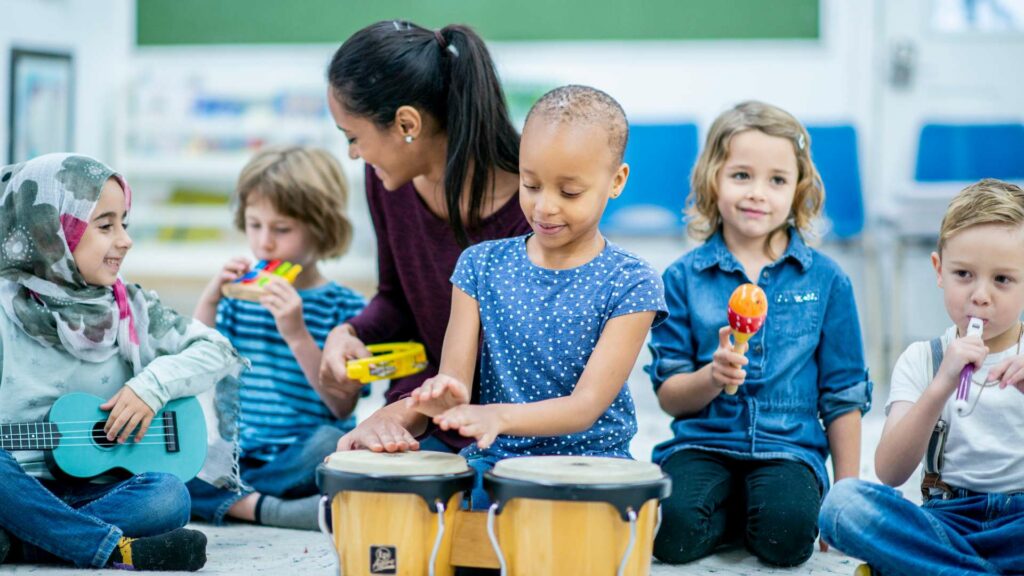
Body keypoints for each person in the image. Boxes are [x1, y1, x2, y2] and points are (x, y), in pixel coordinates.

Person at [407, 85, 667, 508]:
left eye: (569, 193)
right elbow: (455, 381)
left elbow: (585, 407)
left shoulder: (632, 282)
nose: (544, 207)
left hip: (592, 467)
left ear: (616, 181)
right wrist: (442, 397)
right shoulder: (479, 266)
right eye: (531, 185)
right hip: (495, 462)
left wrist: (498, 416)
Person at [646, 101, 871, 567]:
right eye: (741, 175)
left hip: (788, 447)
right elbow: (670, 396)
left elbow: (842, 397)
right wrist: (712, 375)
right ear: (713, 178)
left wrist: (842, 500)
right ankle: (729, 506)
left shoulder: (827, 281)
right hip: (701, 442)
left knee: (786, 540)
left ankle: (754, 507)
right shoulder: (681, 278)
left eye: (777, 180)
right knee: (673, 537)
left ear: (798, 189)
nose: (758, 194)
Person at [0, 153, 245, 570]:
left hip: (97, 493)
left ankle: (29, 541)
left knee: (169, 497)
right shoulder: (5, 313)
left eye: (124, 224)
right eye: (105, 225)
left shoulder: (131, 307)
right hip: (15, 488)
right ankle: (114, 548)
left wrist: (151, 387)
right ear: (52, 231)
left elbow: (217, 349)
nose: (125, 240)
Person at [319, 20, 531, 454]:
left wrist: (399, 413)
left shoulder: (535, 209)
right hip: (431, 416)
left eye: (354, 137)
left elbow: (507, 370)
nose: (353, 153)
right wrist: (351, 331)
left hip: (509, 431)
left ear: (406, 123)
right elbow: (397, 298)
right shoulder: (386, 182)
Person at [819, 179, 1024, 575]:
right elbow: (890, 471)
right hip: (948, 522)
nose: (981, 295)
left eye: (1002, 279)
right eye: (964, 274)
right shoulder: (922, 359)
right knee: (842, 505)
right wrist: (940, 386)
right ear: (939, 271)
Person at [188, 147, 365, 530]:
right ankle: (274, 510)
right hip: (242, 454)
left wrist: (296, 333)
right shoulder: (237, 300)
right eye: (254, 225)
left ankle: (235, 501)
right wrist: (211, 298)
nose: (264, 243)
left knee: (331, 441)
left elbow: (341, 405)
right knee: (176, 462)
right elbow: (196, 360)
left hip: (301, 455)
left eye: (281, 229)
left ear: (321, 227)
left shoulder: (347, 309)